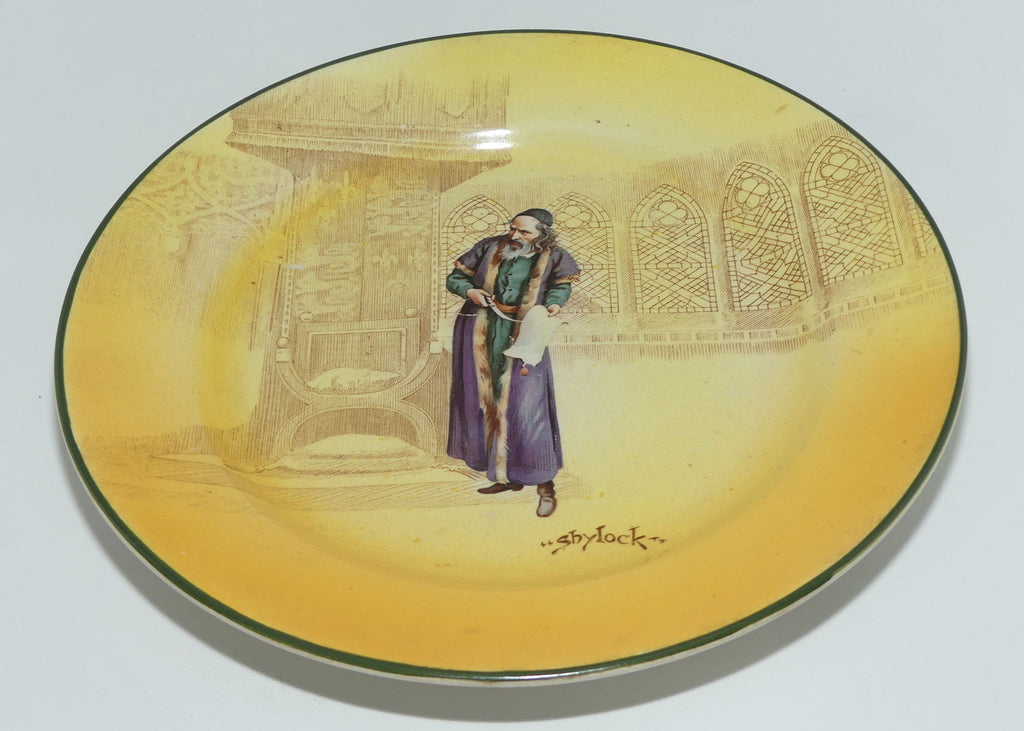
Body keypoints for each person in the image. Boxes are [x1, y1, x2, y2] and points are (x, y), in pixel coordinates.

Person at [445, 208, 580, 517]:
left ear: (542, 234)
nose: (514, 235)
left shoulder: (555, 256)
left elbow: (561, 286)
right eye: (512, 228)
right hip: (479, 329)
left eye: (524, 232)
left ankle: (544, 484)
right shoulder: (489, 247)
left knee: (527, 407)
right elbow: (455, 278)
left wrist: (554, 304)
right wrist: (470, 290)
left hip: (525, 332)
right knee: (483, 398)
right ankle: (504, 477)